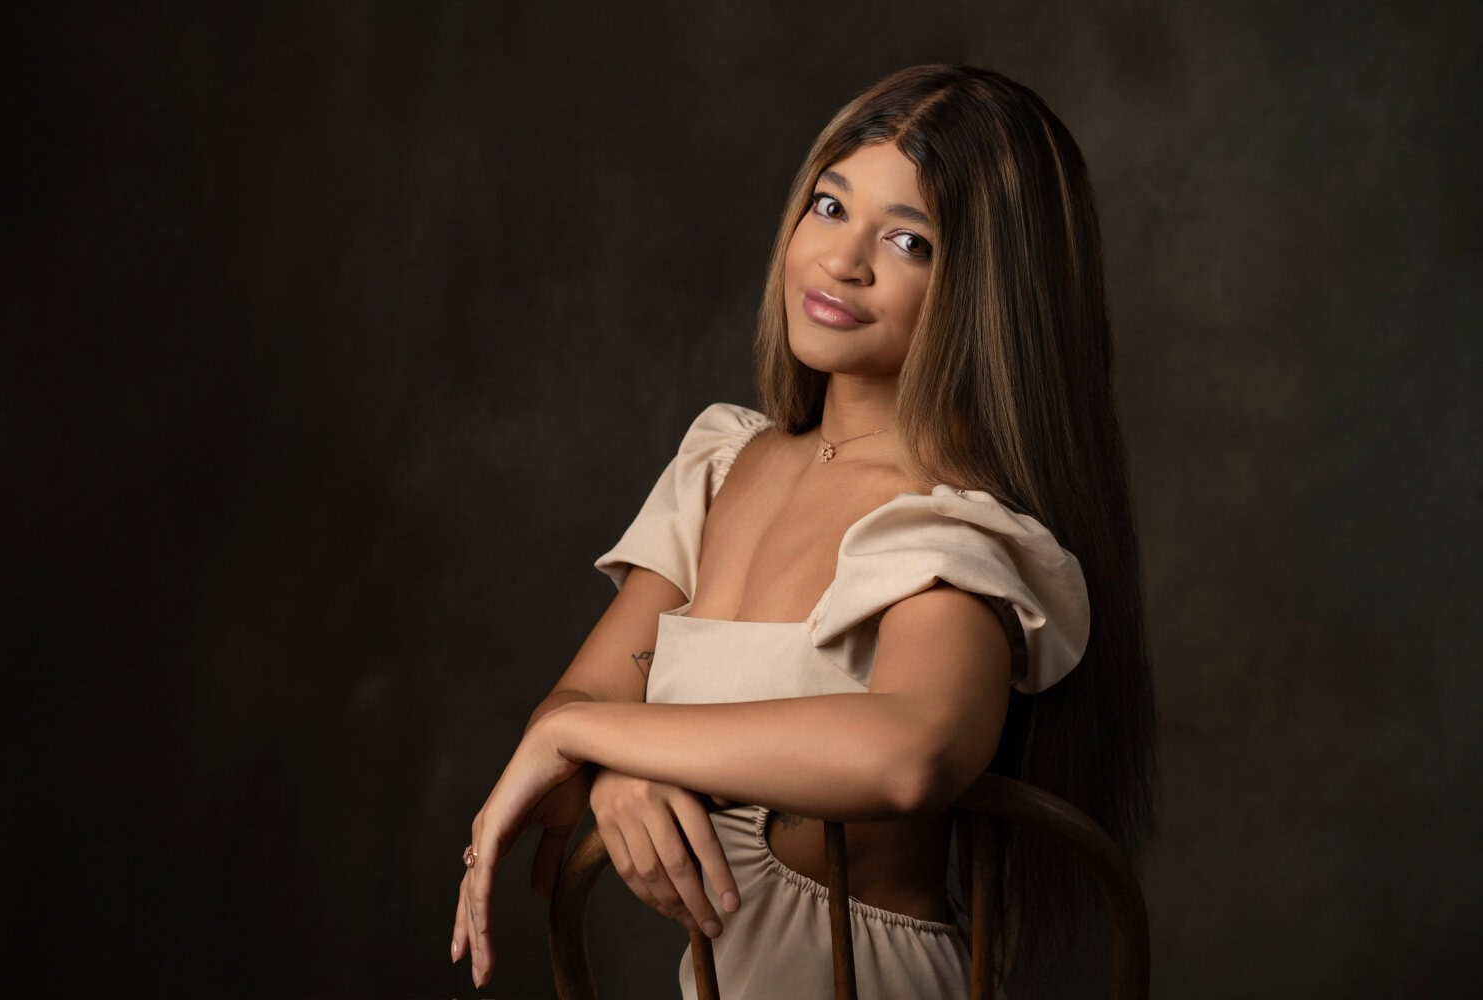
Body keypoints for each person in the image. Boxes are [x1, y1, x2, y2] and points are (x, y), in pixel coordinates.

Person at [450, 64, 1157, 998]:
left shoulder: (946, 531)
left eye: (911, 241)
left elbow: (910, 752)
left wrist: (609, 739)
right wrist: (617, 762)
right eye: (829, 207)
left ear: (991, 290)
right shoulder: (723, 465)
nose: (843, 260)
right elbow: (576, 707)